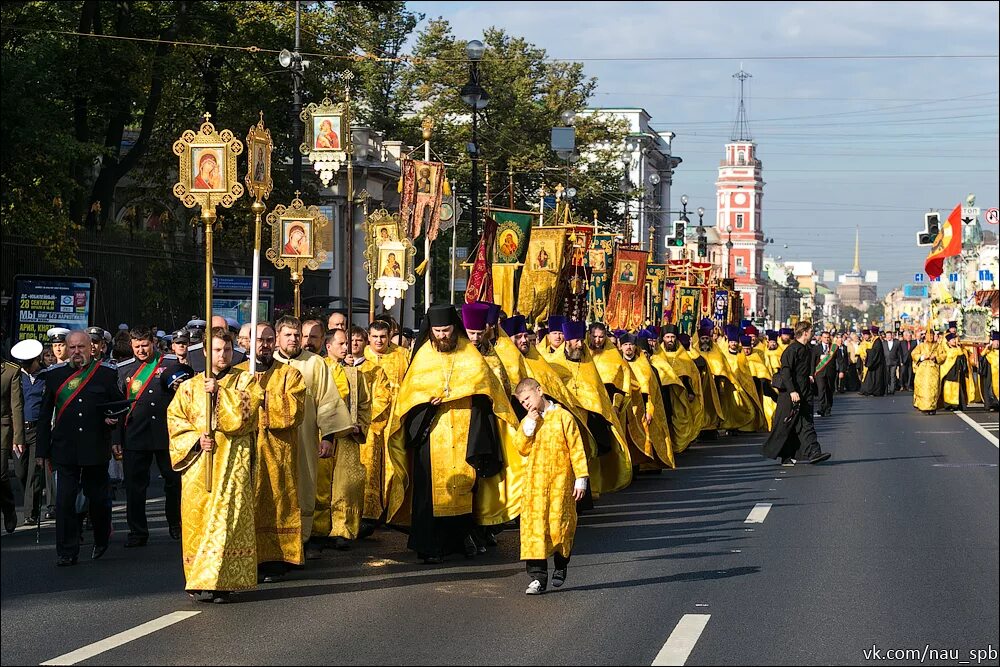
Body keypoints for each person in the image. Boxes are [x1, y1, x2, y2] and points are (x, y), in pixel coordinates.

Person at [384, 305, 516, 563]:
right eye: (438, 331)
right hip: (431, 433)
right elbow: (409, 399)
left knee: (465, 488)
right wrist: (424, 405)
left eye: (447, 330)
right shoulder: (423, 356)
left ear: (455, 328)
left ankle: (462, 539)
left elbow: (487, 392)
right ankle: (430, 545)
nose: (443, 335)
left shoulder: (470, 355)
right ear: (430, 332)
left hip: (466, 431)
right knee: (430, 492)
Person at [167, 328, 259, 602]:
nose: (223, 355)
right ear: (206, 352)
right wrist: (196, 440)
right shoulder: (188, 387)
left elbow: (247, 415)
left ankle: (222, 582)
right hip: (198, 465)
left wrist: (220, 392)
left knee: (227, 520)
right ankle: (197, 576)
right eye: (217, 350)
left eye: (227, 350)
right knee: (198, 520)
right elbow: (175, 421)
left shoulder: (245, 380)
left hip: (232, 463)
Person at [36, 330, 125, 565]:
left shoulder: (105, 374)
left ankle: (101, 537)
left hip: (95, 447)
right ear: (66, 349)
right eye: (72, 348)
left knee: (98, 500)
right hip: (65, 449)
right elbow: (44, 417)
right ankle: (67, 550)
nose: (77, 352)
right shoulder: (54, 376)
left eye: (81, 347)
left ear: (91, 348)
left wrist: (113, 421)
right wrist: (41, 452)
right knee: (65, 501)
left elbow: (118, 406)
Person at [272, 316, 353, 559]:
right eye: (289, 335)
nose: (295, 339)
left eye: (298, 335)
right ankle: (275, 543)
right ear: (278, 338)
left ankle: (303, 540)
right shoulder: (267, 364)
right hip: (275, 440)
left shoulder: (316, 363)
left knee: (305, 485)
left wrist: (327, 437)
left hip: (306, 436)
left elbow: (328, 402)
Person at [235, 323, 307, 582]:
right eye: (258, 340)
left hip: (278, 452)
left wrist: (263, 397)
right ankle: (245, 555)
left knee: (278, 501)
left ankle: (277, 558)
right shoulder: (237, 374)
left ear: (275, 341)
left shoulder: (290, 375)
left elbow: (295, 412)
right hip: (245, 449)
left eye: (268, 340)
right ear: (247, 342)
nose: (264, 345)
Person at [513, 378, 589, 595]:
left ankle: (561, 564)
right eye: (522, 402)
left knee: (560, 526)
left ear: (540, 390)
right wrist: (529, 423)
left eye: (527, 398)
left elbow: (576, 448)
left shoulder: (563, 417)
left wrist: (580, 477)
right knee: (534, 530)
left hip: (560, 483)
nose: (526, 404)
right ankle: (537, 577)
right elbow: (521, 447)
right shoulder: (529, 421)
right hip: (534, 485)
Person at [113, 327, 183, 547]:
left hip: (166, 433)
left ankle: (175, 523)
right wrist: (116, 439)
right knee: (135, 486)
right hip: (136, 433)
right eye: (137, 347)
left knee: (173, 482)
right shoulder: (124, 369)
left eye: (145, 345)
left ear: (153, 343)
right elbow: (118, 407)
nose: (141, 350)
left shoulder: (171, 363)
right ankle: (137, 531)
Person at [313, 328, 370, 550]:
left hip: (347, 437)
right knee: (321, 483)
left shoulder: (356, 374)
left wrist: (360, 425)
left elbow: (365, 404)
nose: (346, 347)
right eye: (341, 344)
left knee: (346, 485)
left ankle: (343, 528)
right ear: (329, 346)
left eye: (347, 343)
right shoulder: (320, 369)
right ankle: (318, 529)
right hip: (322, 434)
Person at [761, 321, 832, 467]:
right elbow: (786, 372)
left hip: (804, 392)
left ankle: (813, 452)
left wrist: (810, 376)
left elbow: (805, 369)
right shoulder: (791, 350)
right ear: (805, 332)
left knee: (806, 423)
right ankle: (789, 455)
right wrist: (792, 391)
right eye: (811, 331)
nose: (813, 333)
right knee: (787, 425)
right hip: (790, 394)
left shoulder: (807, 349)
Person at [11, 339, 47, 525]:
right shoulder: (16, 376)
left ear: (37, 360)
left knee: (34, 471)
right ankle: (30, 497)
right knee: (20, 472)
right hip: (19, 431)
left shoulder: (46, 376)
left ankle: (29, 513)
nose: (27, 367)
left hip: (38, 429)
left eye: (29, 363)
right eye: (23, 364)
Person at [1, 353, 24, 533]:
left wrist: (18, 437)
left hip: (2, 429)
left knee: (0, 474)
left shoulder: (10, 371)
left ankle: (8, 508)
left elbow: (16, 406)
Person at [912, 330, 946, 415]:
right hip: (922, 371)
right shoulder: (921, 346)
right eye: (928, 335)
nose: (930, 337)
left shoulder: (938, 346)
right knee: (922, 389)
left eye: (931, 335)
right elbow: (914, 354)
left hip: (933, 370)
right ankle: (923, 406)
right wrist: (922, 357)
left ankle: (932, 407)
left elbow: (943, 355)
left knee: (933, 389)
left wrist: (935, 357)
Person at [939, 332, 976, 411]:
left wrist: (959, 348)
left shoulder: (959, 349)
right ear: (948, 342)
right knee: (948, 388)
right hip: (949, 371)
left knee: (959, 388)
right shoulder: (947, 350)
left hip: (958, 371)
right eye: (952, 340)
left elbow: (962, 356)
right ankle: (949, 404)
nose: (954, 342)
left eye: (954, 340)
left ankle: (958, 404)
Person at [811, 330, 841, 418]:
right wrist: (811, 373)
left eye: (828, 337)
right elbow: (812, 362)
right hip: (820, 372)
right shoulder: (816, 348)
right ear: (821, 338)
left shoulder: (834, 347)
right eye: (825, 337)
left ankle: (828, 408)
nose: (827, 339)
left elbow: (840, 360)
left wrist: (841, 371)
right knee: (821, 390)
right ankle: (822, 408)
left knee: (829, 390)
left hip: (831, 373)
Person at [859, 326, 887, 396]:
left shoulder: (877, 341)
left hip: (877, 364)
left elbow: (875, 352)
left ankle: (875, 391)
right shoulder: (875, 340)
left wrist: (868, 351)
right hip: (875, 363)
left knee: (876, 378)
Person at [979, 331, 999, 412]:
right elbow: (981, 357)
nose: (996, 343)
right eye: (995, 341)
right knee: (989, 386)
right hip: (990, 371)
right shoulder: (989, 352)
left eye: (998, 342)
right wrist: (987, 348)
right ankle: (990, 404)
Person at [882, 330, 902, 395]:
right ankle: (887, 389)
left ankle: (892, 390)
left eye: (889, 336)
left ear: (892, 336)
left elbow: (899, 353)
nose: (888, 337)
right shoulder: (883, 343)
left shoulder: (897, 343)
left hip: (894, 362)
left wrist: (900, 361)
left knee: (893, 376)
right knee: (887, 376)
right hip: (886, 362)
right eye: (887, 336)